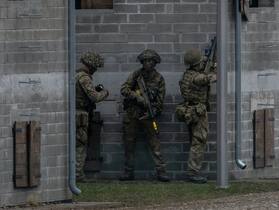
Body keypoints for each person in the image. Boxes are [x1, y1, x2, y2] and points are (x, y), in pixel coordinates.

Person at [119, 49, 170, 182]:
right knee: (129, 144)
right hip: (132, 114)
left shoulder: (159, 79)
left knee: (155, 144)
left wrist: (152, 111)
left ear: (155, 62)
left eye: (150, 61)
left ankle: (161, 172)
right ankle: (128, 172)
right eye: (145, 61)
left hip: (148, 116)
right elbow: (124, 89)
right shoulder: (136, 75)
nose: (147, 63)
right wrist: (137, 97)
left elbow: (160, 102)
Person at [176, 48, 216, 184]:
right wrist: (214, 67)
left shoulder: (187, 74)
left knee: (194, 141)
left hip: (189, 111)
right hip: (197, 112)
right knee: (199, 142)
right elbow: (213, 77)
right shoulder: (198, 77)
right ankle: (193, 173)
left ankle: (192, 171)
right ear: (197, 63)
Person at [76, 51, 109, 181]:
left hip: (76, 113)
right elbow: (94, 97)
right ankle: (78, 175)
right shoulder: (84, 77)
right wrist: (105, 93)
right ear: (91, 66)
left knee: (76, 144)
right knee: (80, 145)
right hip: (80, 115)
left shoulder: (76, 75)